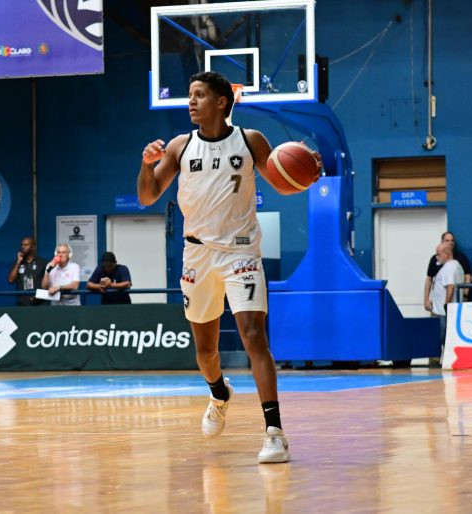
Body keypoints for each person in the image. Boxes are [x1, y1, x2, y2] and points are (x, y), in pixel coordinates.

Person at [137, 71, 320, 463]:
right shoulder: (180, 146)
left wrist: (305, 173)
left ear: (221, 102)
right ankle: (219, 392)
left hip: (241, 253)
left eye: (199, 95)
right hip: (197, 256)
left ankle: (274, 432)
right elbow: (147, 196)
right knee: (206, 352)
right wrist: (146, 164)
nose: (191, 101)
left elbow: (282, 180)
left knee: (255, 337)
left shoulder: (251, 140)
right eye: (190, 95)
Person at [423, 231, 472, 308]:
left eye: (452, 241)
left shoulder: (457, 260)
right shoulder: (434, 259)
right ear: (442, 241)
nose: (450, 243)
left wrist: (465, 296)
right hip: (439, 304)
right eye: (447, 240)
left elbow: (452, 285)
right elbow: (429, 279)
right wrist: (426, 299)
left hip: (448, 305)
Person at [429, 243, 464, 347]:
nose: (436, 257)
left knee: (442, 340)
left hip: (443, 312)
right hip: (448, 311)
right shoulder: (456, 265)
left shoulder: (449, 267)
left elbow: (450, 287)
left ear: (446, 253)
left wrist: (446, 305)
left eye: (438, 254)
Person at [7, 236, 47, 306]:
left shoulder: (42, 263)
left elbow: (48, 285)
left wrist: (39, 296)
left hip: (39, 304)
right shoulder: (18, 262)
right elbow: (11, 280)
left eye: (26, 245)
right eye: (22, 245)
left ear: (33, 247)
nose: (23, 247)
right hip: (22, 304)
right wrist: (18, 261)